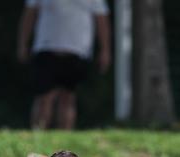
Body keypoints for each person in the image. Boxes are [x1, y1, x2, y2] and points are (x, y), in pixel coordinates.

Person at [17, 0, 111, 129]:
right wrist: (23, 44)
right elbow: (29, 14)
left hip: (78, 50)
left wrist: (105, 50)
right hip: (46, 46)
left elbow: (101, 20)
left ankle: (64, 137)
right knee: (44, 96)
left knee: (68, 96)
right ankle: (38, 133)